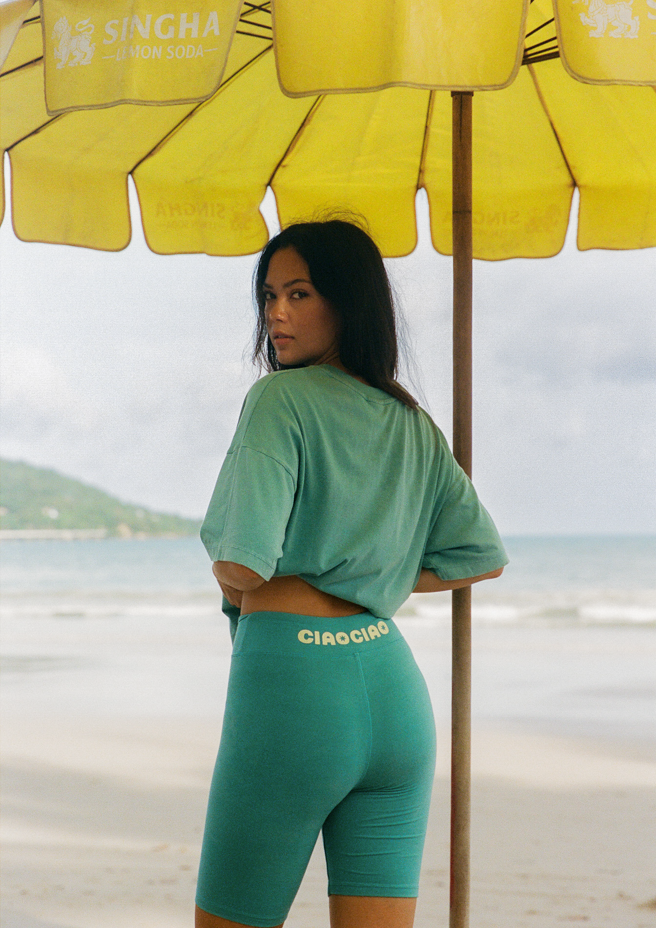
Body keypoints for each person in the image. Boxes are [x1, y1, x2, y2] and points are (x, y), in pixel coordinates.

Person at [195, 219, 508, 929]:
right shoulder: (412, 422)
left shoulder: (279, 400)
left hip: (294, 693)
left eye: (299, 293)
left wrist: (229, 569)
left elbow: (242, 561)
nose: (275, 313)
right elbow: (477, 557)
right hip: (392, 698)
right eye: (269, 294)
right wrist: (378, 573)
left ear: (347, 301)